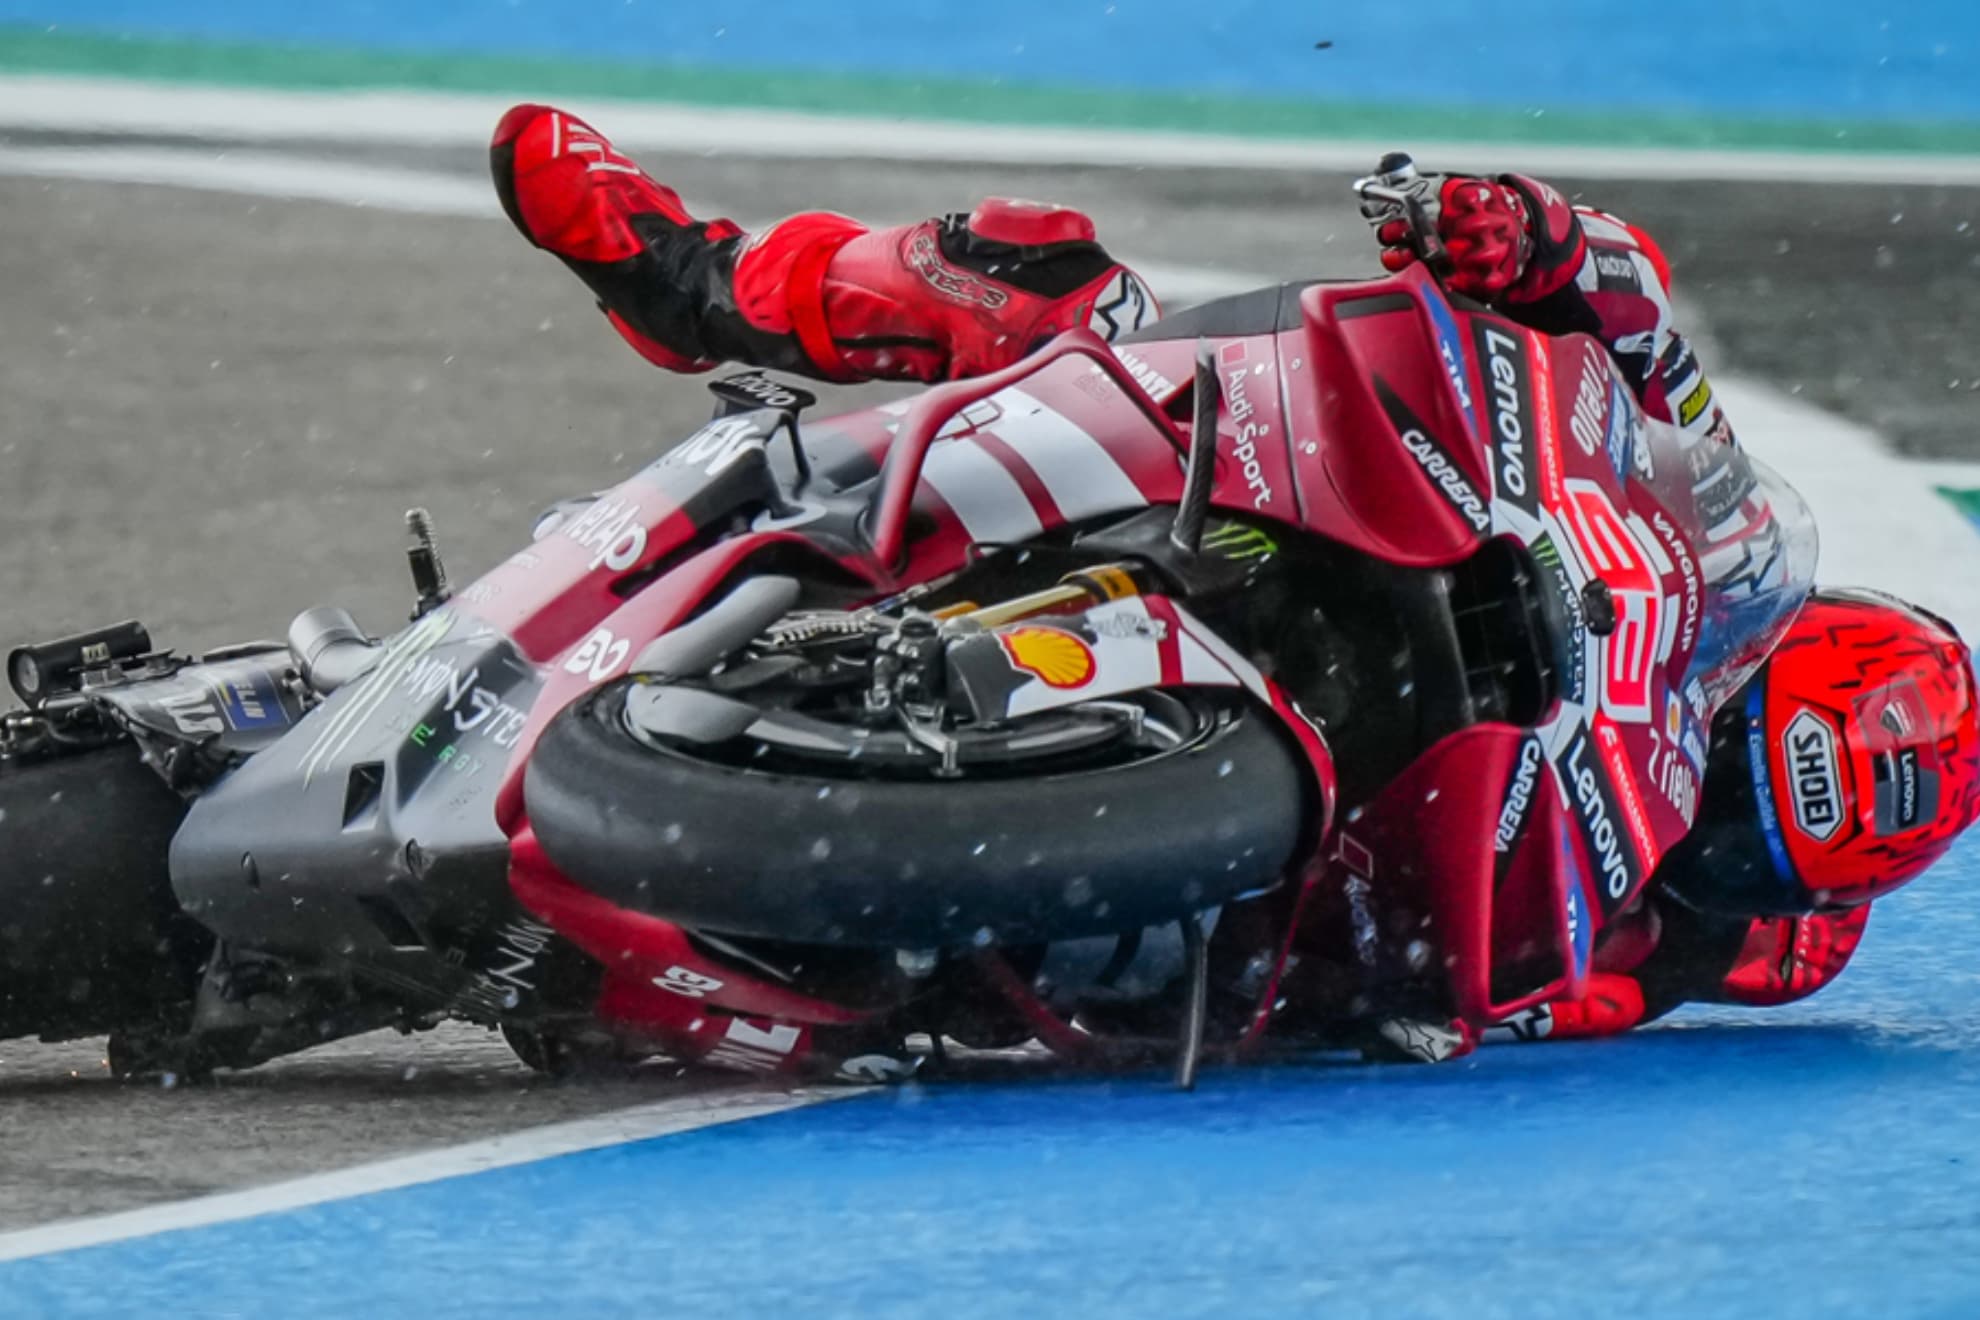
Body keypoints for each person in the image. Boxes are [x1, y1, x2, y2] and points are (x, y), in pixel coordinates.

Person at [488, 104, 1980, 1068]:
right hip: (1407, 572)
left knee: (1053, 1016)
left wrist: (1487, 995)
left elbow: (1574, 999)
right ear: (1761, 663)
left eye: (1745, 845)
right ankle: (686, 280)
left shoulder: (1767, 942)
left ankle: (830, 952)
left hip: (1359, 874)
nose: (1715, 826)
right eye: (1733, 773)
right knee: (1054, 284)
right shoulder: (1718, 552)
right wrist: (1518, 234)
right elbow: (1635, 319)